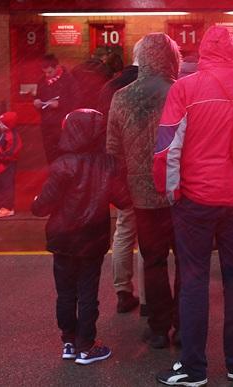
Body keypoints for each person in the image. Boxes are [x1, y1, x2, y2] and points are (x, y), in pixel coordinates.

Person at [153, 25, 233, 386]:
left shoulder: (184, 88)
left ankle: (193, 368)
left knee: (194, 280)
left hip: (196, 198)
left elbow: (166, 148)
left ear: (203, 50)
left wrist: (170, 190)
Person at [31, 109, 131, 365]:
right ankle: (86, 346)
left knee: (65, 292)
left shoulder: (63, 164)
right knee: (88, 292)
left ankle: (69, 341)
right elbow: (123, 200)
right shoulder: (107, 164)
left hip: (63, 239)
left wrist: (35, 201)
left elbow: (41, 207)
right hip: (92, 239)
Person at [107, 33, 182, 349]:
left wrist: (122, 195)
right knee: (187, 262)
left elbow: (113, 153)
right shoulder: (181, 93)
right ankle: (184, 326)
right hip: (180, 194)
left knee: (153, 261)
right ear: (171, 58)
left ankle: (157, 329)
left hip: (142, 196)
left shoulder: (122, 97)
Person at [98, 42, 143, 316]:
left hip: (120, 170)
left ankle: (123, 290)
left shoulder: (110, 87)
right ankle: (152, 299)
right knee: (151, 235)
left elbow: (106, 133)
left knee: (125, 230)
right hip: (149, 171)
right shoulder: (157, 86)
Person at [34, 54, 78, 164]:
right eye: (44, 72)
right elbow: (38, 96)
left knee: (63, 152)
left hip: (62, 124)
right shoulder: (42, 81)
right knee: (49, 152)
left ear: (57, 67)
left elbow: (76, 100)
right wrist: (37, 102)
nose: (47, 75)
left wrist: (60, 104)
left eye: (50, 72)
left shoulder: (68, 80)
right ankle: (53, 172)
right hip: (47, 124)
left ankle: (63, 174)